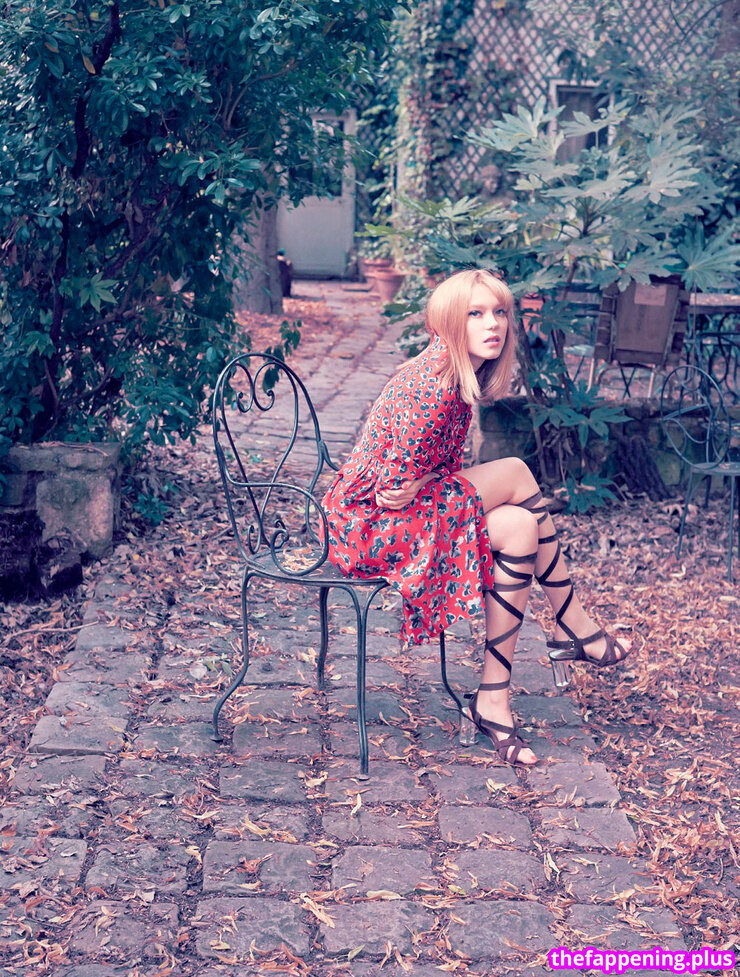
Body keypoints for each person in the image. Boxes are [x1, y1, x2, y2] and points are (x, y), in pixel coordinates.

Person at [320, 268, 631, 767]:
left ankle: (493, 698)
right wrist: (423, 482)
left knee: (522, 526)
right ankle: (572, 624)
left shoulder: (455, 374)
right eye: (476, 314)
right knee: (516, 472)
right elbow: (392, 491)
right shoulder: (433, 388)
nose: (494, 325)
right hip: (368, 528)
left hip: (394, 515)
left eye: (500, 312)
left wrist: (425, 481)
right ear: (448, 323)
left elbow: (427, 473)